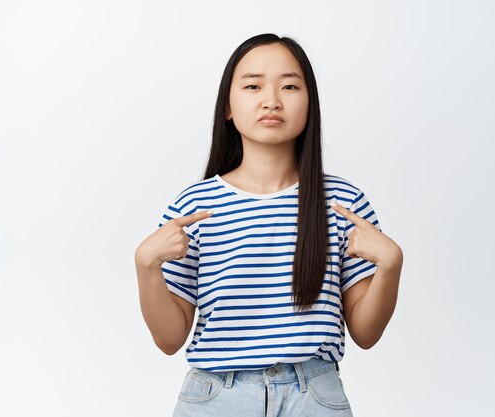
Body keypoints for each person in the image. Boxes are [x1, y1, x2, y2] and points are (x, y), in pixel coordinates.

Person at [134, 33, 403, 417]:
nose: (271, 100)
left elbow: (366, 333)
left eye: (290, 86)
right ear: (227, 106)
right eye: (253, 86)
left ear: (310, 103)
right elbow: (169, 338)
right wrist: (145, 266)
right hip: (215, 398)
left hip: (314, 396)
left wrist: (391, 265)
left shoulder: (344, 204)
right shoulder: (194, 206)